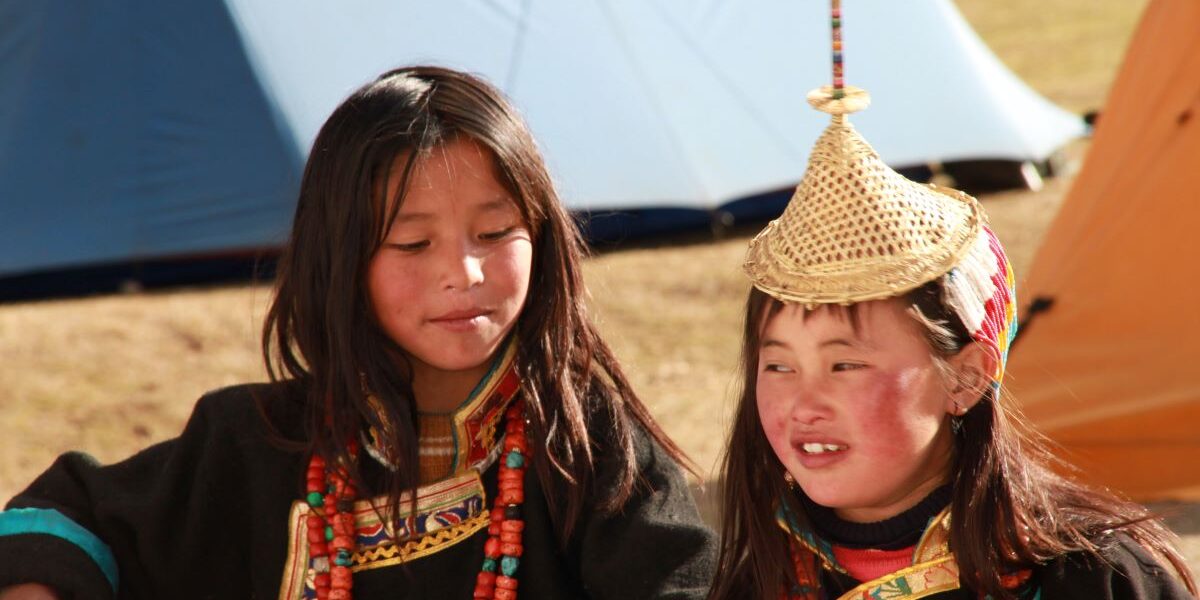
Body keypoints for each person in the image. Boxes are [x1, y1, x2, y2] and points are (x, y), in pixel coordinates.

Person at [0, 66, 716, 599]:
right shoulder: (254, 443)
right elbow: (65, 514)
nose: (463, 272)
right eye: (413, 244)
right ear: (341, 262)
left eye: (496, 232)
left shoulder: (589, 449)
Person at [705, 70, 1199, 598]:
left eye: (844, 364)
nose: (804, 405)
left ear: (964, 378)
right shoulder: (758, 582)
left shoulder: (1095, 577)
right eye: (778, 365)